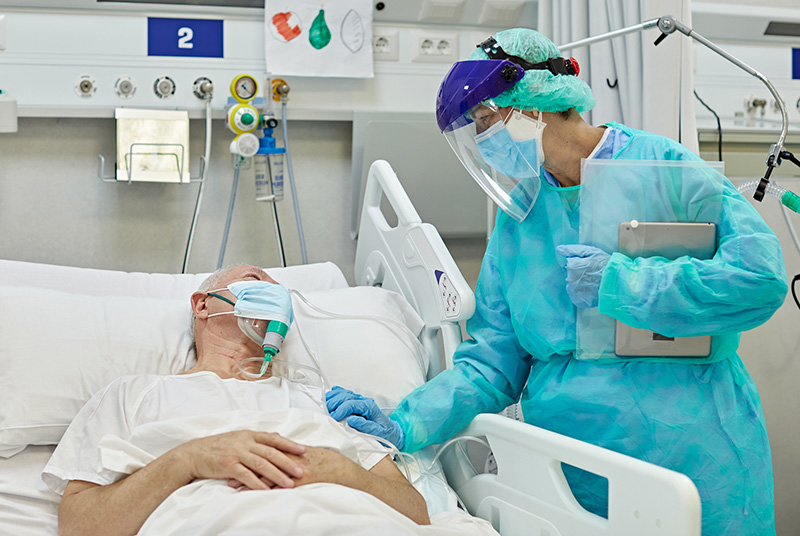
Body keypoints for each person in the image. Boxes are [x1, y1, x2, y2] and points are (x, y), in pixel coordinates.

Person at [326, 28, 788, 535]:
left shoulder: (664, 170)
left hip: (693, 451)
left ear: (538, 101)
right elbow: (491, 361)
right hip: (568, 469)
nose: (484, 139)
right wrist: (406, 422)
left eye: (486, 120)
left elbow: (758, 279)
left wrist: (623, 282)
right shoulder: (521, 215)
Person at [42, 265, 433, 536]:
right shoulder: (132, 394)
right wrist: (188, 459)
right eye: (254, 279)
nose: (274, 292)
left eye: (280, 291)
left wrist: (339, 469)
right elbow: (80, 526)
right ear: (202, 304)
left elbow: (416, 511)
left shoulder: (320, 399)